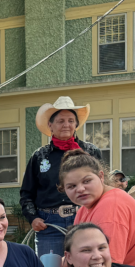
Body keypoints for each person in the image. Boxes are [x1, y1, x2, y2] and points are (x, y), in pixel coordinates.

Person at [19, 96, 104, 256]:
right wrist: (33, 218)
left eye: (71, 120)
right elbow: (26, 193)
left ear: (76, 124)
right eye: (60, 121)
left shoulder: (91, 152)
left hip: (86, 219)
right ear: (50, 125)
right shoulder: (39, 156)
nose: (66, 125)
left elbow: (104, 186)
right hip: (49, 225)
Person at [58, 151, 135, 267]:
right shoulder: (84, 209)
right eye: (71, 186)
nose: (80, 189)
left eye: (86, 181)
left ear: (101, 176)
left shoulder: (111, 208)